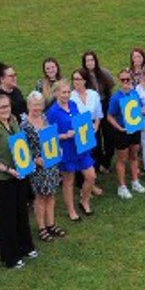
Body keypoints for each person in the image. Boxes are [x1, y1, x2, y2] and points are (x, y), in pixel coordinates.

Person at [0, 94, 36, 269]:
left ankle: (25, 247)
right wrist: (7, 170)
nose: (6, 110)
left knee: (20, 212)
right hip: (0, 179)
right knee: (6, 218)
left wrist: (26, 164)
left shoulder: (13, 121)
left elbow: (19, 145)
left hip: (18, 175)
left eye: (8, 106)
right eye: (2, 107)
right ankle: (11, 257)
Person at [47, 80, 96, 221]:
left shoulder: (73, 105)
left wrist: (87, 127)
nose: (66, 95)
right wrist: (64, 135)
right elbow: (49, 135)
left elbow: (79, 122)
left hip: (80, 146)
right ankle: (71, 210)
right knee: (69, 180)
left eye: (68, 92)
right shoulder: (53, 112)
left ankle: (84, 200)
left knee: (91, 176)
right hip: (66, 149)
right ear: (56, 93)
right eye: (63, 92)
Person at [21, 91, 63, 242]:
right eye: (34, 105)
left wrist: (57, 148)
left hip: (51, 163)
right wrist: (34, 159)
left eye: (39, 104)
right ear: (28, 106)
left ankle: (51, 224)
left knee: (51, 194)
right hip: (38, 167)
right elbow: (21, 149)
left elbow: (51, 136)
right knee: (40, 197)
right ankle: (41, 228)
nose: (37, 108)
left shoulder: (44, 118)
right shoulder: (24, 125)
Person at [107, 69, 145, 199]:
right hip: (122, 132)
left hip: (134, 130)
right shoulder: (116, 97)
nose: (125, 82)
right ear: (119, 81)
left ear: (131, 80)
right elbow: (109, 116)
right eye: (123, 80)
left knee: (134, 155)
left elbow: (139, 109)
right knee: (122, 158)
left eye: (127, 79)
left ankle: (135, 181)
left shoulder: (134, 93)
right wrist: (118, 127)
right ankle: (122, 186)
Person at [70, 68, 104, 197]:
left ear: (85, 80)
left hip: (92, 129)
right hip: (78, 131)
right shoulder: (71, 97)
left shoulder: (93, 94)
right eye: (74, 79)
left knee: (94, 156)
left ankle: (92, 183)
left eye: (78, 79)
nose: (76, 82)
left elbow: (98, 114)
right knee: (81, 158)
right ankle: (82, 186)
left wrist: (96, 126)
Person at [81, 51, 115, 173]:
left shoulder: (103, 73)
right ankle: (97, 162)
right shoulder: (83, 77)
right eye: (87, 61)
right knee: (95, 137)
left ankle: (106, 161)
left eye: (92, 60)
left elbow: (111, 86)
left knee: (109, 135)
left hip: (104, 104)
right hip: (91, 108)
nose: (90, 63)